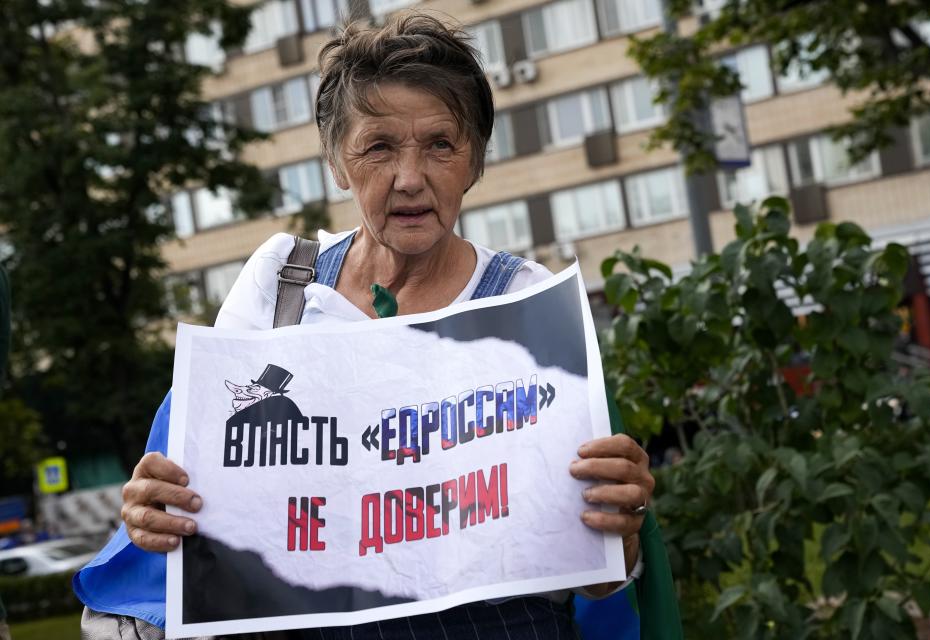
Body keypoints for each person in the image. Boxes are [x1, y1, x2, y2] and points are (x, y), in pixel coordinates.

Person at [75, 14, 658, 639]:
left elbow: (595, 579)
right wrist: (156, 516)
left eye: (441, 144)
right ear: (336, 162)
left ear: (475, 162)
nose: (410, 178)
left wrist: (617, 528)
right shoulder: (282, 285)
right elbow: (205, 507)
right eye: (379, 147)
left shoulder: (530, 306)